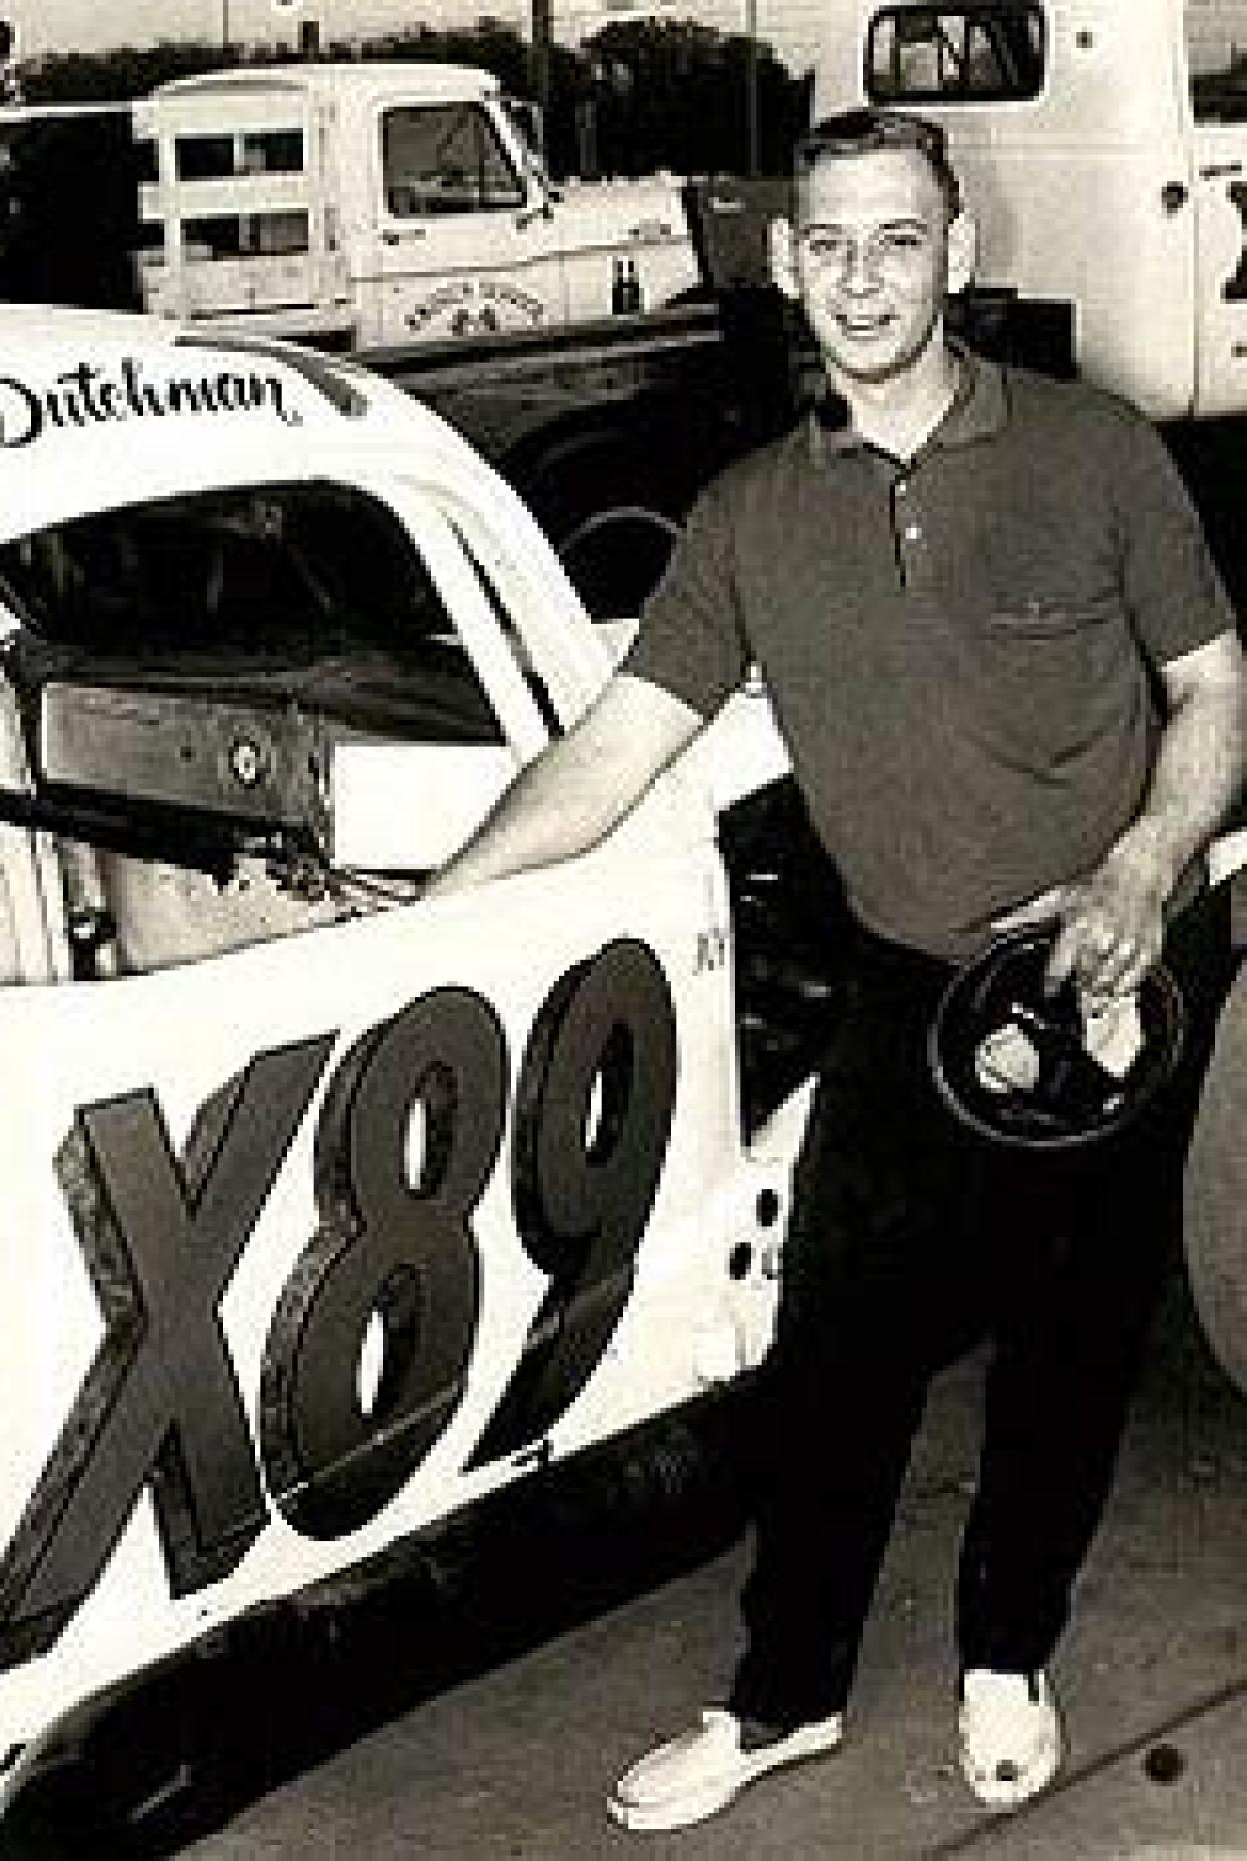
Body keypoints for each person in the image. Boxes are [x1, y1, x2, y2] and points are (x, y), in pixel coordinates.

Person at [428, 108, 1247, 1828]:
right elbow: (613, 753)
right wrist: (432, 916)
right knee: (831, 1362)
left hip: (1109, 964)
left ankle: (1008, 1652)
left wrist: (1143, 864)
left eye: (899, 239)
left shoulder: (1097, 452)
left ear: (960, 251)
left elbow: (1212, 687)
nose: (865, 278)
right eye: (833, 245)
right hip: (907, 983)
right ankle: (782, 1694)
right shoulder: (746, 517)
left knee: (1071, 1348)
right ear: (789, 266)